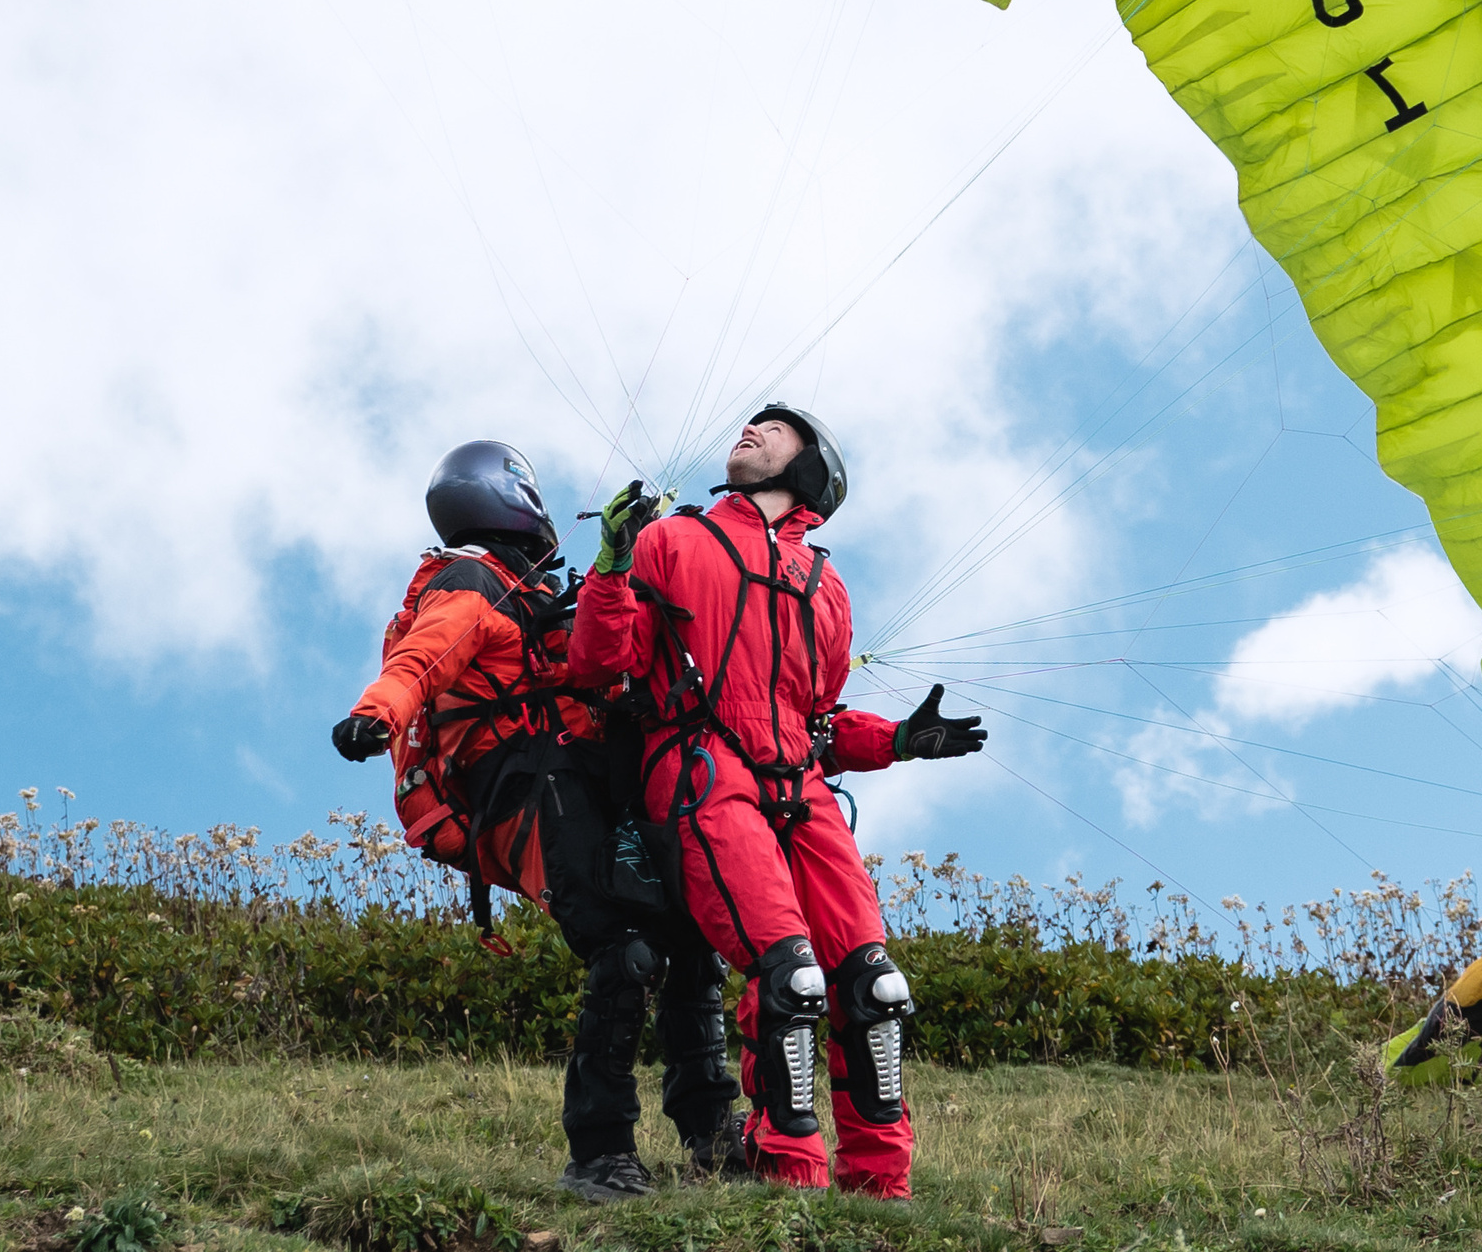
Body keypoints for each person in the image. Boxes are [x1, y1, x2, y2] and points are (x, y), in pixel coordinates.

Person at [569, 405, 988, 1198]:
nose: (751, 430)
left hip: (801, 788)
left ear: (810, 468)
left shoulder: (826, 586)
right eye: (751, 424)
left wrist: (899, 739)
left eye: (775, 428)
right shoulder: (672, 540)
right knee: (790, 975)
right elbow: (599, 665)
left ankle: (881, 1189)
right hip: (703, 769)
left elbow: (819, 723)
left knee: (873, 985)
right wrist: (613, 565)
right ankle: (790, 1175)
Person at [329, 441, 740, 1202]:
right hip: (524, 786)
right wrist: (377, 714)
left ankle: (714, 1135)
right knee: (623, 947)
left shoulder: (530, 589)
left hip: (579, 777)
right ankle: (600, 1154)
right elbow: (427, 654)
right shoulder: (473, 580)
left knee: (686, 935)